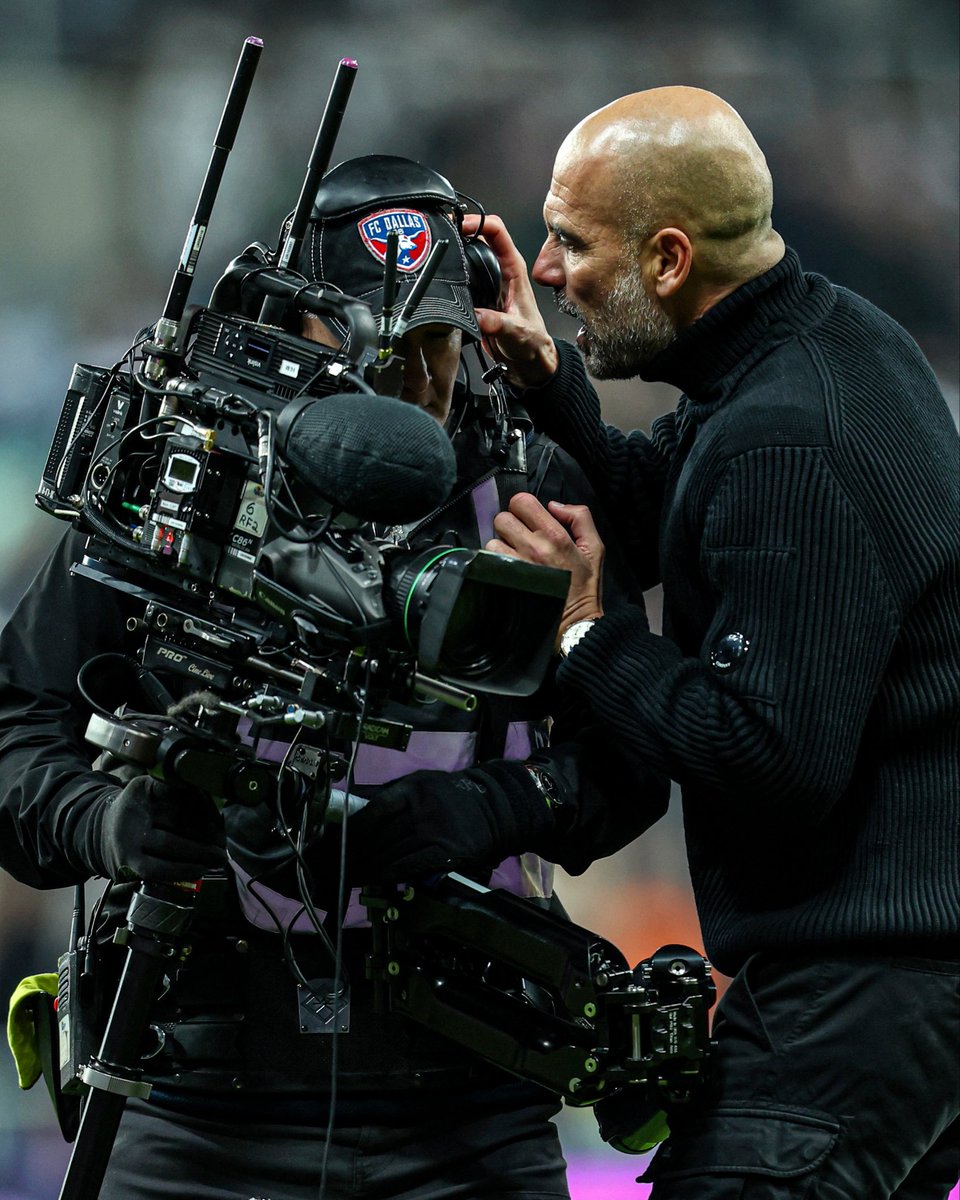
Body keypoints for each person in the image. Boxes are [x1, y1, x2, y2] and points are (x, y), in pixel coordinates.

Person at [0, 155, 668, 1200]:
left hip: (470, 1101)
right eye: (366, 344)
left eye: (432, 347)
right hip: (194, 1098)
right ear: (294, 338)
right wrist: (103, 823)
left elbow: (633, 759)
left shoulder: (532, 494)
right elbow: (15, 730)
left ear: (477, 337)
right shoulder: (179, 488)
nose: (405, 381)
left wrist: (489, 806)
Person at [439, 88, 958, 1197]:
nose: (551, 267)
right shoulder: (824, 341)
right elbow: (667, 505)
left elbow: (770, 763)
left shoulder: (788, 438)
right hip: (899, 983)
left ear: (668, 260)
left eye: (574, 242)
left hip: (864, 990)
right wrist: (551, 383)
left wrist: (588, 630)